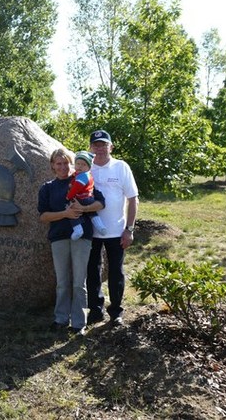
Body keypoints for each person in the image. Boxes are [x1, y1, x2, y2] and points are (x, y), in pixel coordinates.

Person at [38, 148, 105, 335]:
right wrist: (66, 214)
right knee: (62, 282)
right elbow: (43, 216)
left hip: (82, 238)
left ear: (71, 163)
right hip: (58, 237)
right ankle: (60, 319)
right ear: (52, 165)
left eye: (65, 163)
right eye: (58, 163)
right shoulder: (47, 188)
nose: (62, 167)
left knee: (78, 282)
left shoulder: (82, 178)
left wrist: (83, 209)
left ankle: (78, 323)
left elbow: (101, 202)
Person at [86, 129, 138, 327]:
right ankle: (95, 310)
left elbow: (133, 199)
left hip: (117, 231)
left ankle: (116, 311)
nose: (99, 148)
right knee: (92, 271)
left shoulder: (121, 167)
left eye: (103, 144)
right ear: (91, 147)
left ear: (111, 146)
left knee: (116, 271)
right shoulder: (85, 167)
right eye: (96, 145)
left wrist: (129, 229)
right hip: (91, 231)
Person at [66, 151, 107, 240]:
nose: (80, 166)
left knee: (71, 210)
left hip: (82, 198)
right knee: (92, 213)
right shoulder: (80, 174)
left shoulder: (83, 176)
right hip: (89, 198)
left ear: (89, 167)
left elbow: (76, 188)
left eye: (83, 164)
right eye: (78, 164)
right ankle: (100, 226)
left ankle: (78, 229)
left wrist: (69, 196)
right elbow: (74, 179)